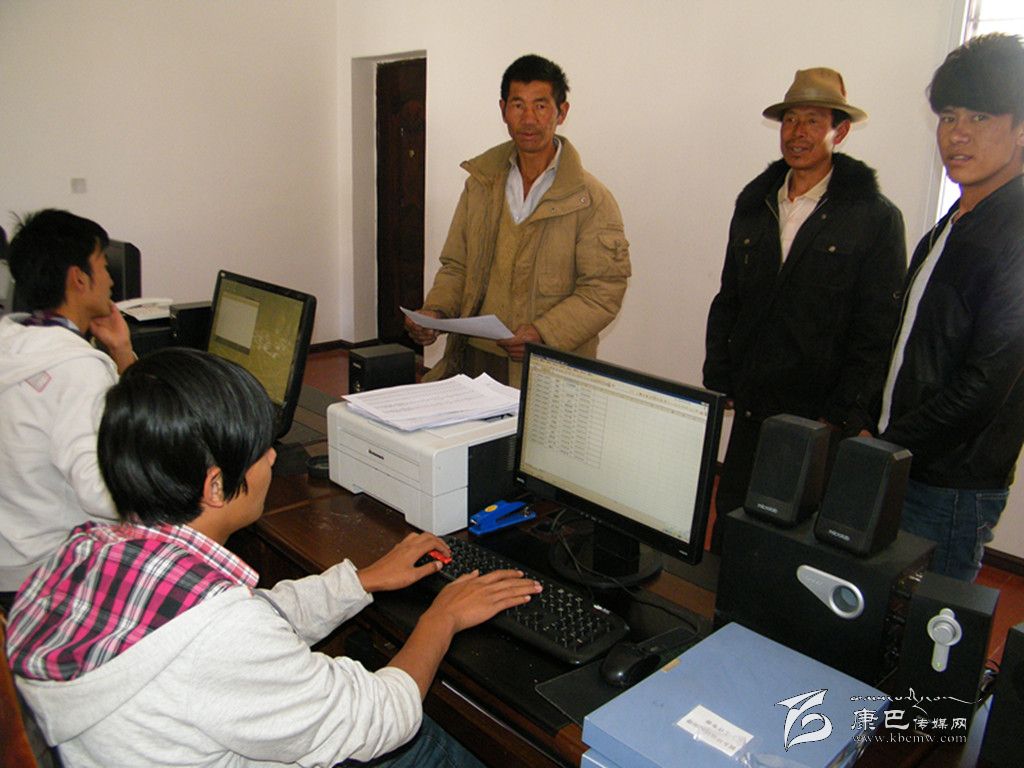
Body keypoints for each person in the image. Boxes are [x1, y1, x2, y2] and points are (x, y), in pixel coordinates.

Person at [5, 348, 541, 767]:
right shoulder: (219, 634)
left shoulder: (87, 550)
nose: (270, 458)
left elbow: (253, 616)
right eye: (260, 449)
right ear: (216, 486)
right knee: (449, 743)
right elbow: (376, 719)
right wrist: (441, 618)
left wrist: (361, 581)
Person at [703, 68, 906, 551]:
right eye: (790, 120)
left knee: (793, 541)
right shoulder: (756, 204)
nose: (798, 133)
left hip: (818, 417)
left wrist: (845, 414)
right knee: (732, 523)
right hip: (753, 406)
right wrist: (720, 373)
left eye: (813, 121)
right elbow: (729, 297)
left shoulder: (873, 217)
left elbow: (877, 329)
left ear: (840, 131)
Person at [877, 34, 1024, 582]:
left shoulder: (1016, 231)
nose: (957, 133)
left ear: (1021, 128)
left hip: (951, 484)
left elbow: (985, 385)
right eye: (948, 116)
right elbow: (906, 343)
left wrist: (889, 444)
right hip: (910, 463)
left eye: (980, 117)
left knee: (931, 623)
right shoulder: (956, 222)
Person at [404, 54, 631, 386]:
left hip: (549, 367)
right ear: (503, 110)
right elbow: (457, 266)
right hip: (474, 361)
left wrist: (543, 333)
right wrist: (435, 312)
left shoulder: (591, 200)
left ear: (562, 112)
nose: (528, 119)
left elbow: (603, 290)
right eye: (518, 105)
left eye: (541, 106)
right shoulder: (480, 185)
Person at [0, 209, 136, 613]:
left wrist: (121, 352)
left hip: (10, 558)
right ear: (79, 278)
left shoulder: (14, 341)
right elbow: (105, 496)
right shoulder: (76, 370)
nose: (111, 280)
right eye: (103, 266)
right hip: (50, 576)